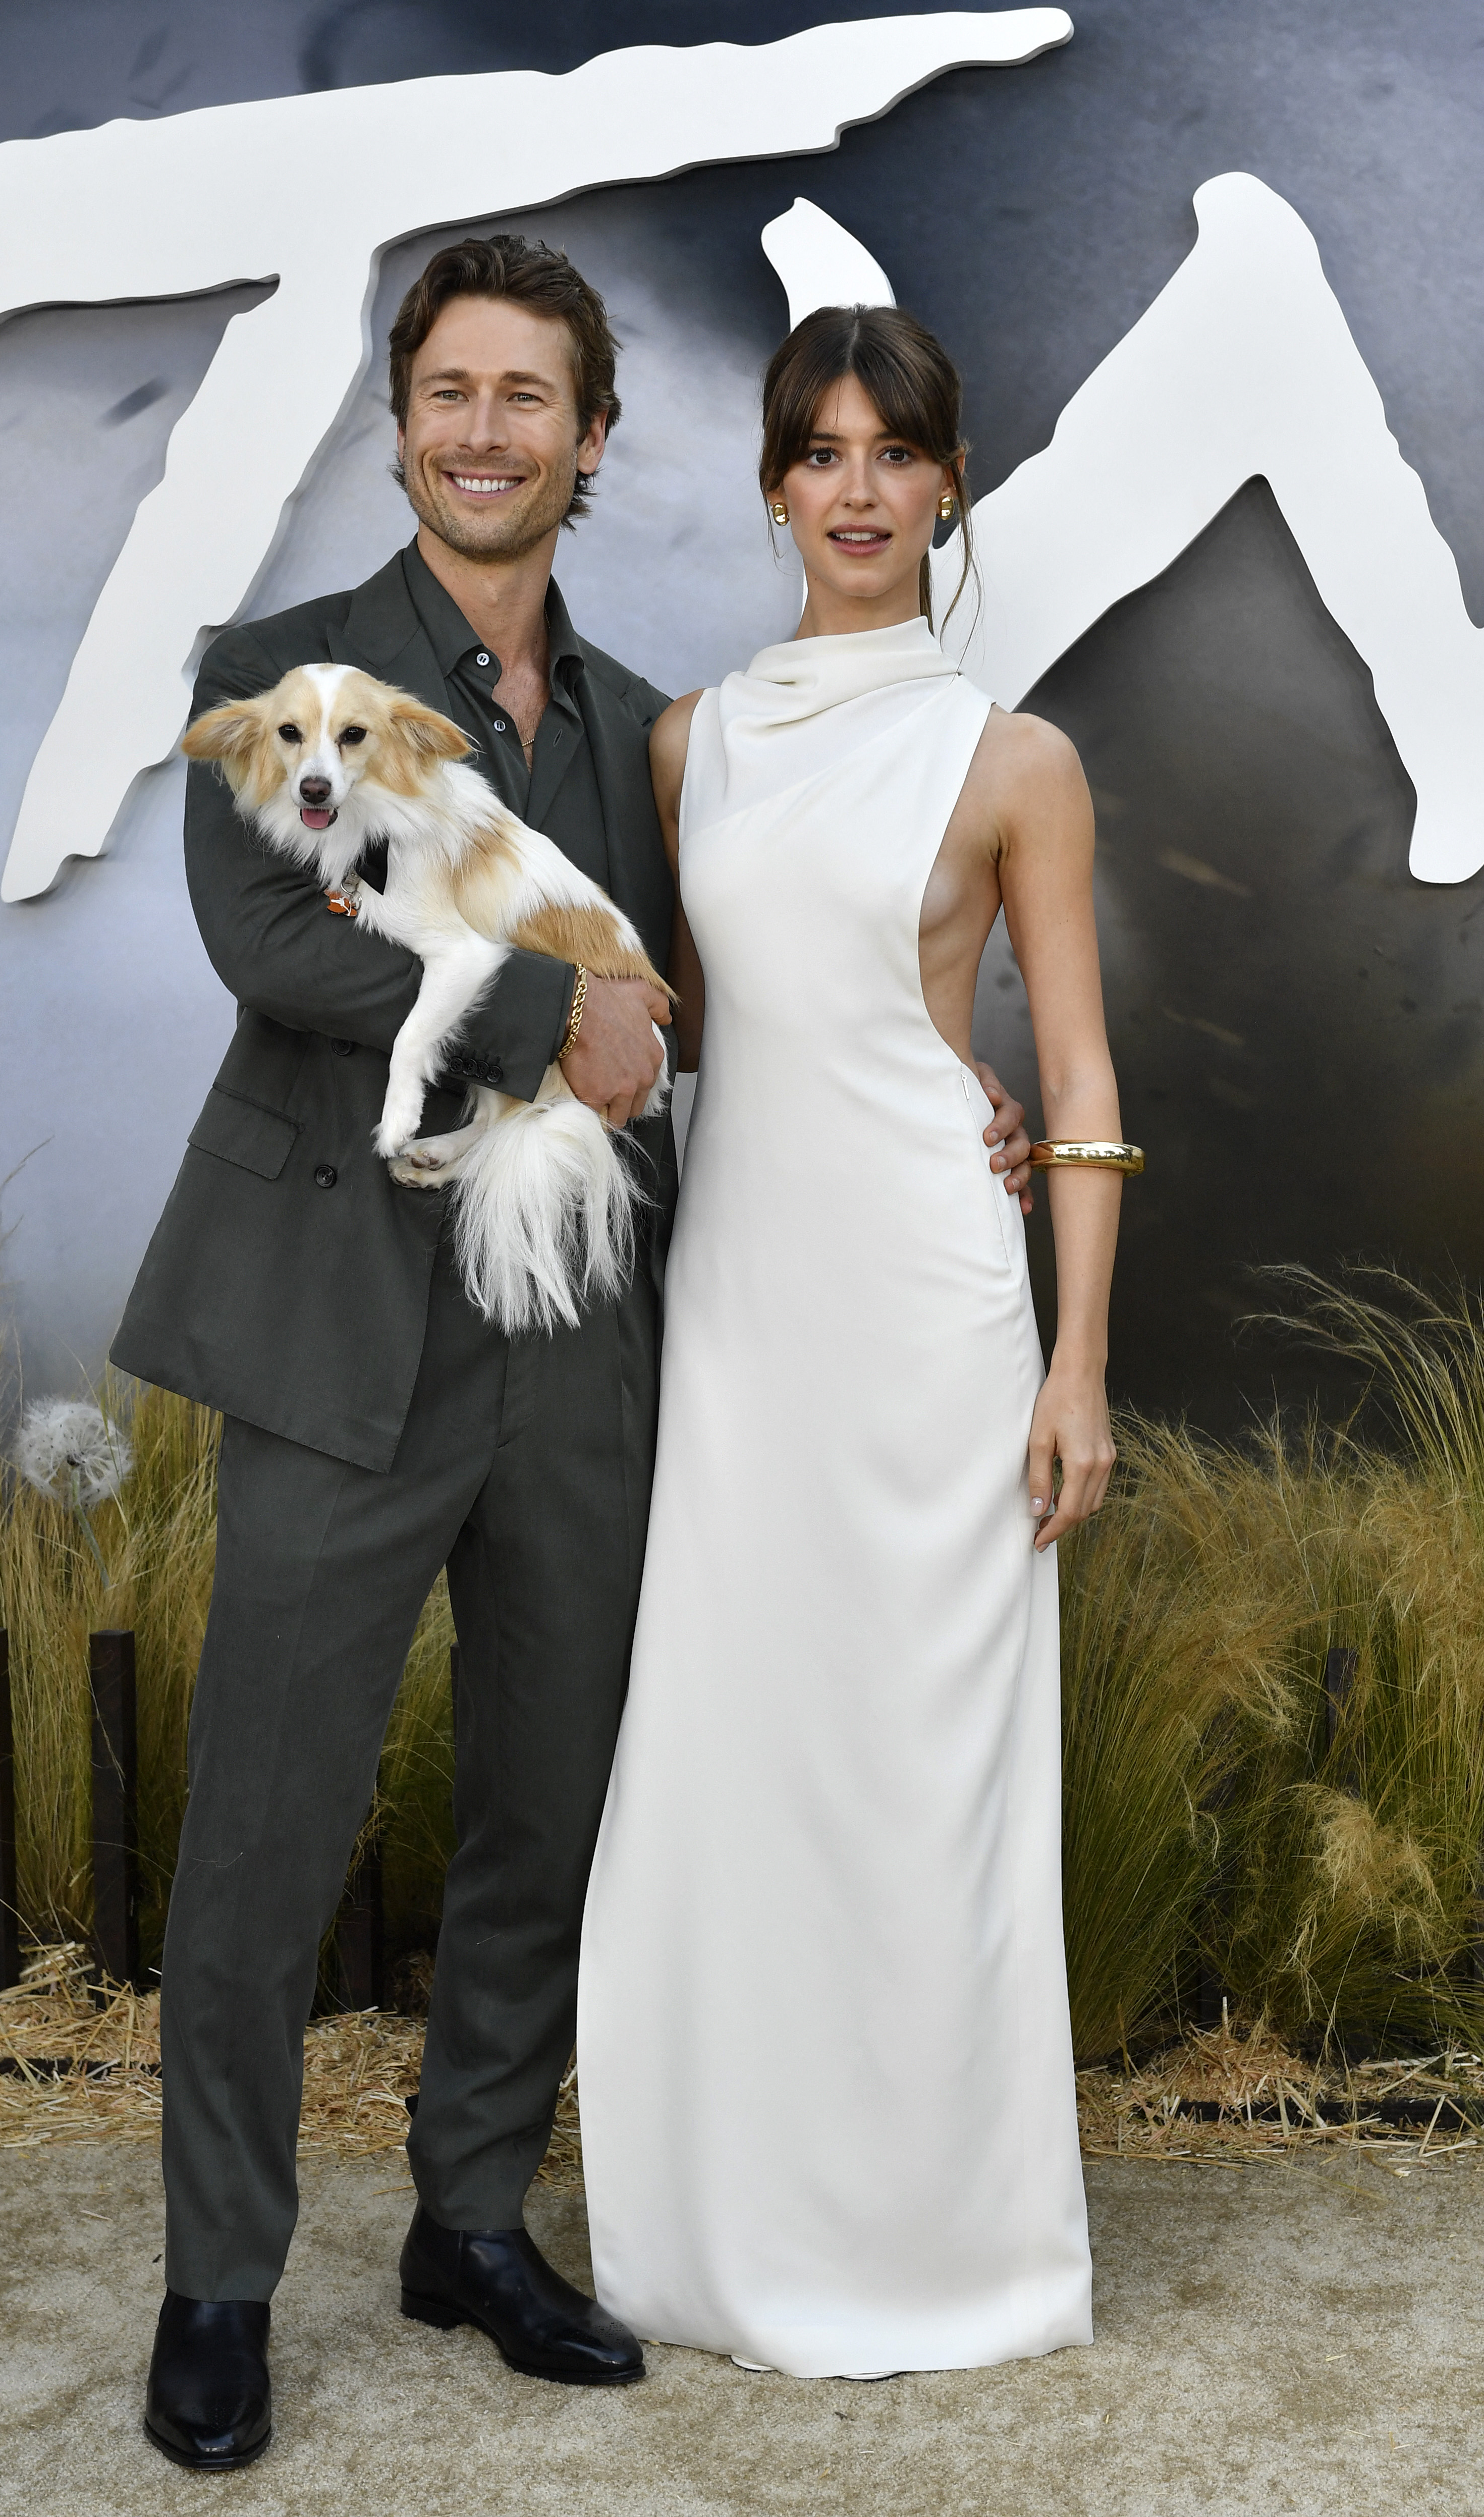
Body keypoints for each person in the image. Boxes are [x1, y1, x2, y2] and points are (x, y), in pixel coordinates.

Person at [113, 238, 1036, 2466]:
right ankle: (221, 2279)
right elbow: (277, 942)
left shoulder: (650, 729)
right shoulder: (280, 673)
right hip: (336, 1332)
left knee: (549, 1803)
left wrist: (947, 1106)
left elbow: (746, 995)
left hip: (591, 1342)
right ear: (404, 416)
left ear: (595, 440)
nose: (486, 429)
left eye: (533, 395)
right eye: (450, 390)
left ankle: (467, 2216)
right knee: (261, 1828)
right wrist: (553, 1014)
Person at [577, 303, 1125, 2378]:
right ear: (774, 485)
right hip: (742, 1309)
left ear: (947, 480)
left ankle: (944, 2251)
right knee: (739, 1757)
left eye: (896, 450)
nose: (861, 487)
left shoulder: (1015, 760)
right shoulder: (681, 743)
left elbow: (1069, 1066)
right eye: (821, 449)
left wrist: (1074, 1362)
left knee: (922, 1775)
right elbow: (708, 1029)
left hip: (928, 1311)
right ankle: (721, 2231)